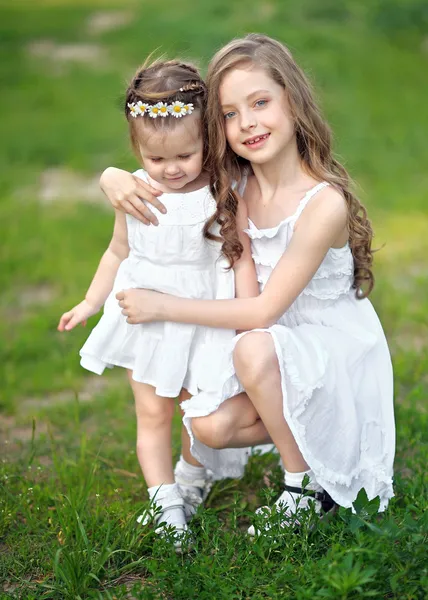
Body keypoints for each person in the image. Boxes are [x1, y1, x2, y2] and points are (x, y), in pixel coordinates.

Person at [101, 34, 395, 534]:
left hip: (324, 353)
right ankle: (310, 445)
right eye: (231, 114)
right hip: (267, 350)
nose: (248, 122)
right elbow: (160, 160)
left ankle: (303, 487)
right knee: (209, 426)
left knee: (253, 349)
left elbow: (260, 313)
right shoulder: (232, 183)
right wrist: (111, 177)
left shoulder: (323, 204)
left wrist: (161, 306)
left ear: (294, 101)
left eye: (260, 103)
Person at [57, 57, 260, 546]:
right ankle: (163, 500)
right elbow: (117, 250)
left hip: (203, 317)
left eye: (184, 156)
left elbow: (237, 255)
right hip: (145, 323)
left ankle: (191, 476)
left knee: (195, 408)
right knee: (151, 414)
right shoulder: (134, 192)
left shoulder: (223, 190)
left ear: (208, 140)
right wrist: (90, 301)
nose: (170, 170)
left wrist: (246, 319)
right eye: (155, 159)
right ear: (137, 150)